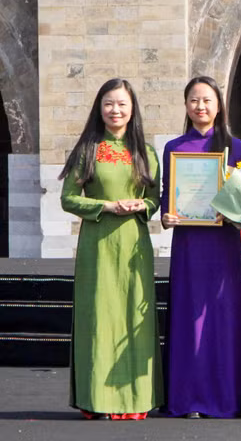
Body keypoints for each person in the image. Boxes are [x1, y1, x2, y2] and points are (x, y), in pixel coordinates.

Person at [59, 78, 162, 420]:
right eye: (108, 104)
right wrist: (104, 207)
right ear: (99, 109)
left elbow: (154, 199)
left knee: (134, 316)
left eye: (121, 104)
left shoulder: (145, 153)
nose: (115, 110)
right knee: (99, 318)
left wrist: (140, 206)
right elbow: (68, 199)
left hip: (134, 244)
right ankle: (97, 400)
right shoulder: (87, 150)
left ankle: (134, 400)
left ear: (132, 110)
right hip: (98, 244)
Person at [160, 76, 241, 419]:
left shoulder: (237, 148)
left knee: (221, 318)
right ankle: (188, 399)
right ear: (186, 106)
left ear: (219, 105)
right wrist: (167, 216)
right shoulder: (174, 148)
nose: (201, 106)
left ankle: (225, 398)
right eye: (194, 100)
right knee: (188, 318)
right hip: (187, 244)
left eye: (207, 100)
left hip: (223, 244)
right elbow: (167, 194)